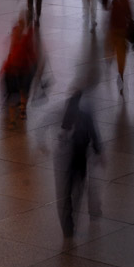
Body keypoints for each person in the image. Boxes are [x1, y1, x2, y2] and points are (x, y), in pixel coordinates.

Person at [56, 89, 102, 237]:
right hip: (81, 157)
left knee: (68, 190)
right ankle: (89, 210)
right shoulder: (86, 115)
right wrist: (97, 149)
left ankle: (69, 223)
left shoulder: (69, 112)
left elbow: (63, 131)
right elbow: (94, 134)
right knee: (80, 187)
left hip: (69, 159)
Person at [1, 14, 38, 125]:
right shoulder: (17, 33)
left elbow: (30, 51)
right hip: (16, 68)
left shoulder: (27, 35)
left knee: (22, 90)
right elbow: (12, 49)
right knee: (19, 91)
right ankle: (19, 111)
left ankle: (21, 110)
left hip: (23, 68)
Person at [106, 0, 134, 95]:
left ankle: (111, 61)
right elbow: (129, 15)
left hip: (114, 32)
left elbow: (110, 20)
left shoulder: (114, 3)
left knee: (114, 50)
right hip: (122, 32)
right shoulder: (125, 0)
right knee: (121, 55)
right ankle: (121, 73)